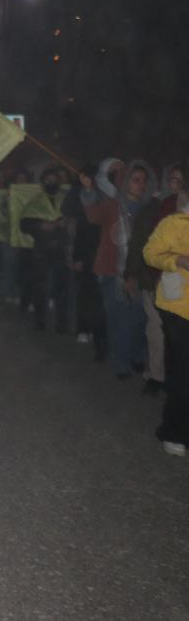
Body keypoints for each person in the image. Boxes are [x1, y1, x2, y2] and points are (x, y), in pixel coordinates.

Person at [81, 158, 154, 379]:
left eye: (143, 180)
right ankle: (121, 363)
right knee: (118, 319)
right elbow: (93, 215)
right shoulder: (113, 205)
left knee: (140, 318)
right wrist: (88, 190)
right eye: (135, 180)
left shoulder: (150, 208)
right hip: (112, 272)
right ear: (125, 181)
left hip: (141, 273)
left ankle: (137, 355)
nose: (140, 184)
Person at [142, 181, 189, 456]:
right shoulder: (173, 223)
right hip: (177, 307)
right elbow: (150, 253)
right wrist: (178, 260)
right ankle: (173, 432)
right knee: (183, 372)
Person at [127, 164, 182, 395]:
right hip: (155, 279)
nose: (177, 185)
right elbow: (139, 244)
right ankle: (157, 376)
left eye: (181, 180)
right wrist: (131, 274)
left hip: (182, 285)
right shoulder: (153, 209)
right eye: (173, 179)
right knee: (156, 330)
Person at [19, 167, 72, 332]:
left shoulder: (66, 199)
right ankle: (40, 320)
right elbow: (24, 224)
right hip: (42, 249)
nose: (51, 183)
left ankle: (62, 322)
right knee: (40, 286)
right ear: (42, 183)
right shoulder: (36, 201)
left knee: (62, 286)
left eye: (54, 180)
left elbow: (76, 218)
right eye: (47, 180)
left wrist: (66, 223)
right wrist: (40, 225)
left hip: (61, 249)